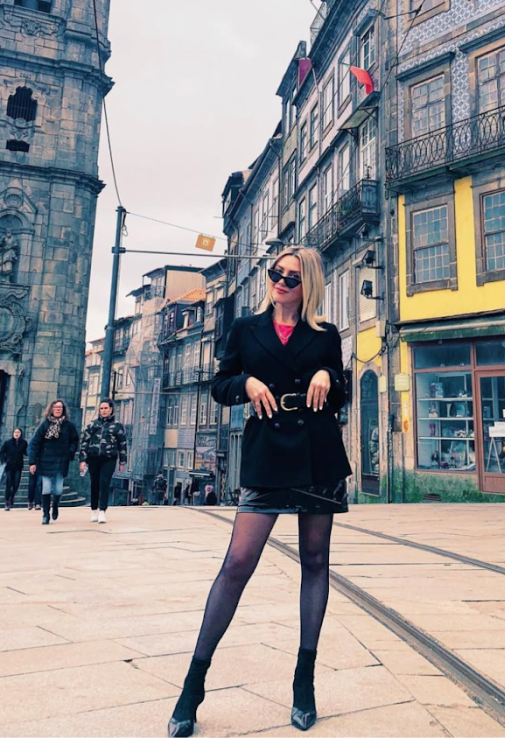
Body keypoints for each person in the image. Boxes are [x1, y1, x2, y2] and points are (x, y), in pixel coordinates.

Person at [168, 247, 348, 737]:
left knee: (315, 561)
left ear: (308, 285)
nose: (281, 282)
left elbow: (341, 390)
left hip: (317, 450)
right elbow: (219, 384)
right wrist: (245, 383)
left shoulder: (325, 334)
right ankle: (192, 686)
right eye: (276, 274)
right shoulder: (246, 329)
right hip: (267, 448)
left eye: (291, 278)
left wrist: (328, 374)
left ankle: (304, 681)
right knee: (237, 563)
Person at [28, 400, 78, 525]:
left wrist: (69, 452)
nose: (58, 409)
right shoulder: (44, 425)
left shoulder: (69, 426)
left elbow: (75, 441)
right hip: (45, 460)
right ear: (51, 409)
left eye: (60, 407)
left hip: (61, 461)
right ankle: (45, 514)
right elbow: (36, 443)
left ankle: (55, 505)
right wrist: (32, 462)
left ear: (63, 410)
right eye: (55, 407)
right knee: (46, 488)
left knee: (58, 489)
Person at [79, 399, 128, 523]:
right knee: (94, 483)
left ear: (111, 409)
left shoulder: (117, 426)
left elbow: (122, 444)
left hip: (109, 458)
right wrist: (83, 460)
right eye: (101, 408)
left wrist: (122, 462)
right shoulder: (92, 425)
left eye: (106, 408)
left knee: (104, 482)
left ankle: (102, 510)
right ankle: (93, 509)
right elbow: (84, 442)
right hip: (93, 458)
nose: (104, 411)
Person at [0, 428, 27, 511]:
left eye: (18, 432)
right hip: (9, 466)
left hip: (18, 466)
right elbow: (1, 452)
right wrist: (3, 461)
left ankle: (12, 496)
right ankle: (7, 502)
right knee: (9, 484)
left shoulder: (24, 443)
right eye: (15, 432)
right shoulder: (7, 443)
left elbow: (26, 452)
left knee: (16, 484)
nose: (16, 434)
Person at [23, 429, 40, 510]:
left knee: (40, 483)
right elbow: (29, 450)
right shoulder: (34, 438)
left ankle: (38, 503)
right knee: (32, 483)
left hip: (43, 463)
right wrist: (32, 460)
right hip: (34, 462)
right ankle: (30, 501)